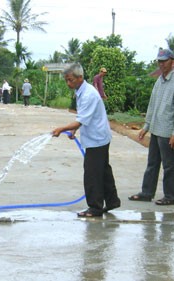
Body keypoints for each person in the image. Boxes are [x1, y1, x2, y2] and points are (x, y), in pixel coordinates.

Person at [52, 63, 121, 217]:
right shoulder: (81, 91)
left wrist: (61, 129)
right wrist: (74, 129)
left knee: (92, 173)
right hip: (99, 136)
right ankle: (112, 201)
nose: (68, 84)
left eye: (70, 80)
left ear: (80, 77)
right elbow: (82, 118)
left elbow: (81, 120)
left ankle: (95, 208)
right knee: (103, 170)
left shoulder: (88, 94)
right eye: (66, 81)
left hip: (97, 139)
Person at [128, 48, 174, 206]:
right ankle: (147, 192)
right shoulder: (159, 81)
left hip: (167, 131)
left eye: (165, 61)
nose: (162, 64)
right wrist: (146, 126)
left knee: (169, 165)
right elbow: (152, 105)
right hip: (155, 129)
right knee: (152, 163)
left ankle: (170, 196)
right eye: (159, 61)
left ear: (171, 61)